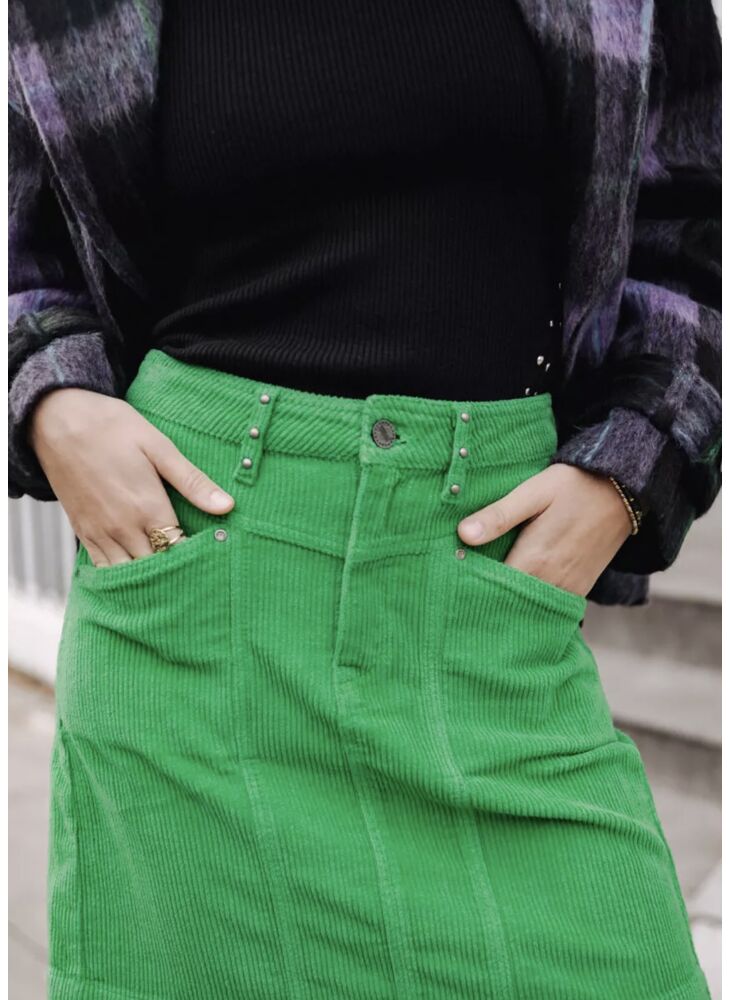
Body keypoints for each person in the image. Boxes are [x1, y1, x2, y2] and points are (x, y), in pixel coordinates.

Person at [8, 1, 721, 997]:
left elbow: (690, 229)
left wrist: (631, 468)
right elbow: (26, 247)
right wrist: (51, 397)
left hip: (486, 593)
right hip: (197, 586)